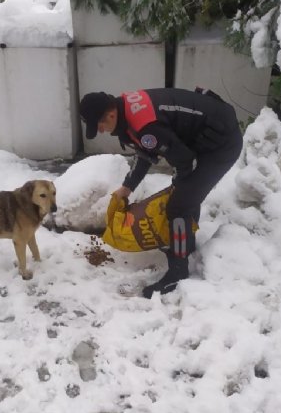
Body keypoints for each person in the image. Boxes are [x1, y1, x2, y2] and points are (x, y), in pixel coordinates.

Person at [79, 88, 243, 298]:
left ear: (111, 115)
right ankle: (185, 245)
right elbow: (144, 151)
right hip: (206, 132)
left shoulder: (145, 127)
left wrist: (182, 186)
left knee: (179, 205)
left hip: (222, 142)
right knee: (184, 196)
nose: (100, 130)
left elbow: (185, 160)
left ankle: (178, 270)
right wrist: (127, 187)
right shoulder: (127, 111)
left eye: (99, 125)